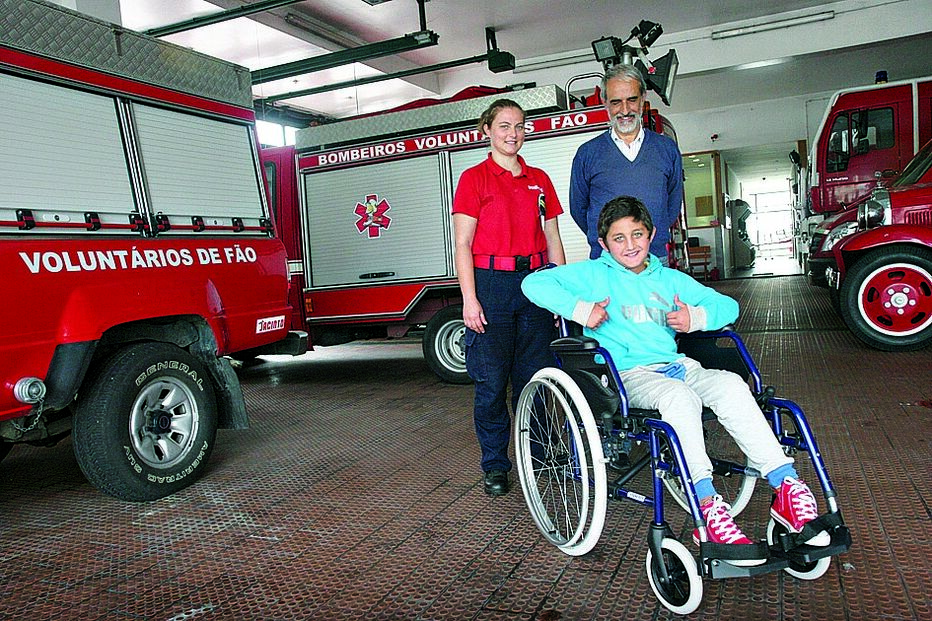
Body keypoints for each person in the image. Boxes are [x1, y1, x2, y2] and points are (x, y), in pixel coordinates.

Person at [521, 196, 829, 561]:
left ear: (650, 235)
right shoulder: (592, 275)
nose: (630, 244)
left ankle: (786, 486)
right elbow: (533, 285)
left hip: (678, 367)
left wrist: (695, 319)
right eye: (618, 238)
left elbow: (727, 306)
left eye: (637, 234)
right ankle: (708, 503)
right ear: (603, 244)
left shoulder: (669, 279)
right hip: (627, 377)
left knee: (731, 385)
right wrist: (581, 310)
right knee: (679, 398)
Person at [452, 98, 567, 497]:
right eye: (503, 126)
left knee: (535, 380)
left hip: (535, 284)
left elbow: (552, 237)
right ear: (487, 130)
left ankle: (539, 457)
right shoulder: (473, 179)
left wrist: (559, 294)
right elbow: (463, 243)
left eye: (519, 126)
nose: (512, 133)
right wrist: (470, 299)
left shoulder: (539, 179)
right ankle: (496, 466)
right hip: (492, 286)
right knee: (491, 385)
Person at [570, 64, 683, 264]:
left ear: (643, 98)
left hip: (655, 261)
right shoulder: (587, 154)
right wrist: (608, 241)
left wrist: (651, 238)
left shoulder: (666, 149)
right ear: (605, 103)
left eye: (632, 100)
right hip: (606, 263)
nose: (624, 110)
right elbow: (578, 209)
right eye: (616, 102)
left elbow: (672, 205)